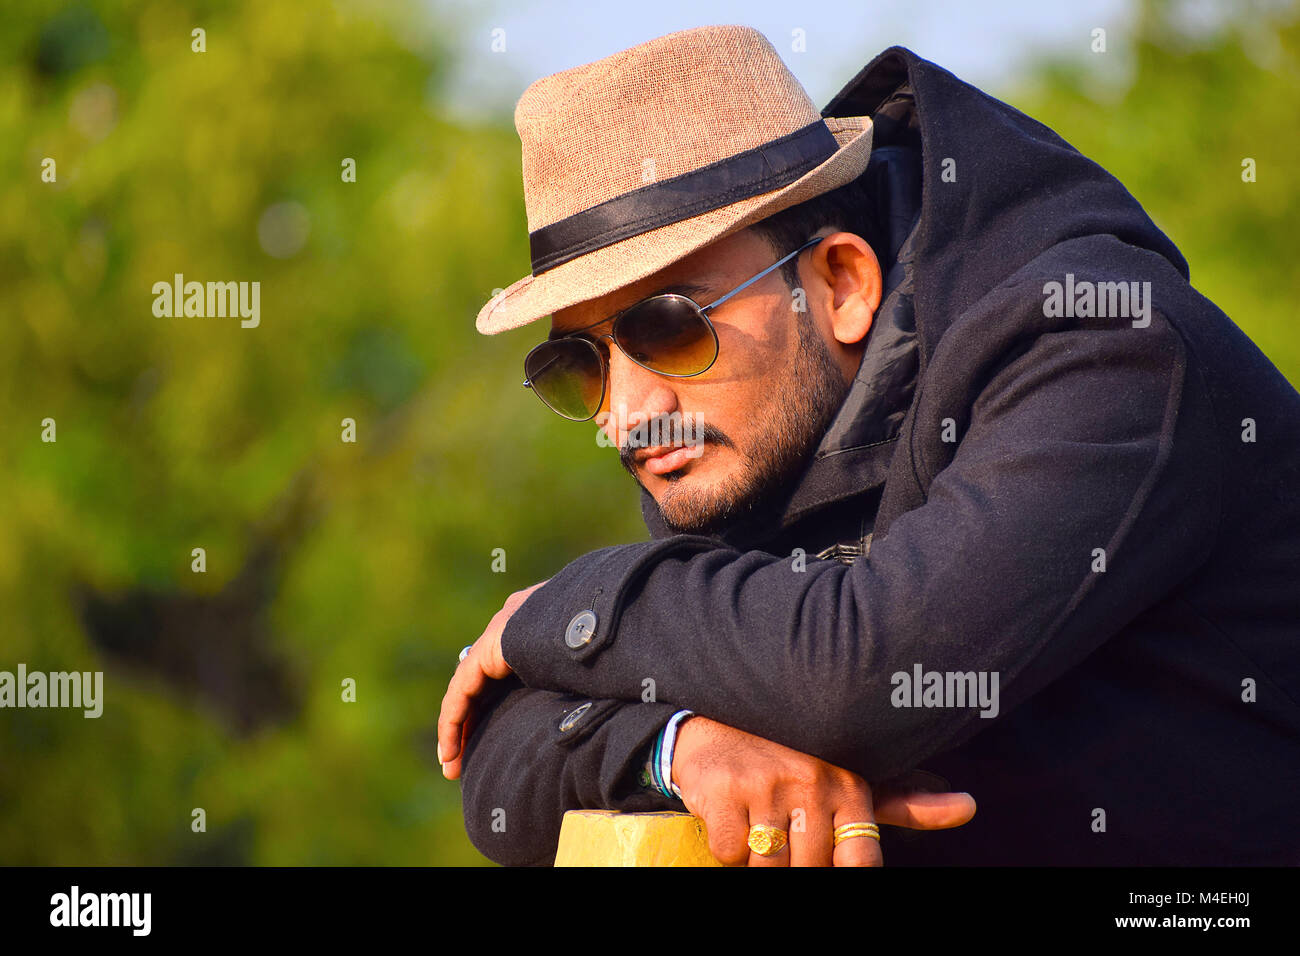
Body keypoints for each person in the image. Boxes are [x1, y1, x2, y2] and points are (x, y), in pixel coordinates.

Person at [438, 25, 1300, 866]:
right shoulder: (731, 432)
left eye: (667, 328)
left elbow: (865, 674)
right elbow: (498, 757)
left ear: (841, 284)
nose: (626, 415)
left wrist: (566, 603)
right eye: (577, 365)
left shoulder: (1104, 346)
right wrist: (676, 748)